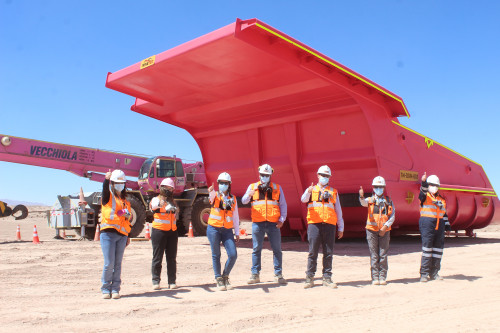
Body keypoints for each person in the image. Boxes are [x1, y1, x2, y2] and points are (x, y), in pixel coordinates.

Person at [242, 164, 288, 285]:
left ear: (270, 175)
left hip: (274, 224)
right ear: (259, 175)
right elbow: (243, 201)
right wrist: (249, 194)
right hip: (258, 223)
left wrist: (282, 220)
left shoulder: (277, 188)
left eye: (267, 175)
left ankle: (278, 274)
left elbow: (283, 205)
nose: (264, 177)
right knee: (256, 249)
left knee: (277, 249)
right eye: (263, 175)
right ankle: (255, 274)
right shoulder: (252, 187)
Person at [301, 165, 344, 289]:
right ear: (317, 175)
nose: (324, 178)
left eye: (327, 176)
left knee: (328, 253)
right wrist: (308, 192)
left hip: (329, 225)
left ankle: (327, 278)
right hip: (314, 224)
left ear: (329, 177)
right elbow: (303, 200)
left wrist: (340, 227)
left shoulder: (333, 192)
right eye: (322, 175)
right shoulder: (311, 190)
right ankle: (309, 278)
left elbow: (338, 210)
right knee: (312, 252)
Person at [100, 169, 132, 299]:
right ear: (112, 184)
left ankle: (115, 289)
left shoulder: (125, 201)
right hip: (108, 234)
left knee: (118, 264)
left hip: (122, 235)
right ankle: (105, 289)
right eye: (118, 183)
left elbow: (127, 220)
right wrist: (106, 179)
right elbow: (104, 190)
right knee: (109, 263)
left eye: (122, 183)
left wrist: (128, 236)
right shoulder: (108, 197)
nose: (120, 185)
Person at [359, 176, 395, 286]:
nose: (379, 188)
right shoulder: (369, 200)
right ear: (373, 188)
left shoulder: (388, 201)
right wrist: (361, 196)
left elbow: (392, 216)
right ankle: (375, 277)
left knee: (383, 254)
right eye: (376, 187)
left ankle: (382, 276)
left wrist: (385, 227)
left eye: (381, 187)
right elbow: (362, 203)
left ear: (384, 188)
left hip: (385, 231)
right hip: (371, 231)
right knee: (374, 255)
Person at [207, 172, 240, 291]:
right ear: (218, 183)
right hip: (213, 229)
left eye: (225, 183)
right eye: (221, 183)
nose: (223, 185)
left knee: (233, 254)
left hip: (227, 230)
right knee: (216, 254)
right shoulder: (214, 195)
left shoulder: (233, 199)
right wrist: (210, 191)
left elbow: (235, 216)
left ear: (229, 184)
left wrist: (237, 232)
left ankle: (225, 275)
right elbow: (210, 198)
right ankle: (218, 278)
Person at [418, 172, 451, 282]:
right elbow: (422, 191)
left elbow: (444, 213)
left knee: (437, 250)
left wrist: (447, 226)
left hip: (439, 225)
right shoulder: (424, 196)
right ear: (428, 185)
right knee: (427, 249)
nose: (434, 187)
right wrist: (423, 182)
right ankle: (424, 274)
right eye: (431, 185)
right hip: (427, 224)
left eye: (436, 185)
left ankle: (434, 273)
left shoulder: (442, 199)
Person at [150, 178, 179, 290]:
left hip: (172, 232)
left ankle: (172, 281)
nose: (170, 190)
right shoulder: (155, 199)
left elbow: (176, 213)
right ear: (162, 188)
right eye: (168, 188)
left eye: (171, 188)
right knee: (157, 257)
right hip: (159, 231)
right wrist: (160, 204)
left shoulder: (173, 202)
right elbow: (153, 206)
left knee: (171, 258)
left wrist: (176, 210)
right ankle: (156, 281)